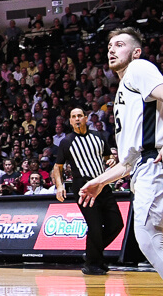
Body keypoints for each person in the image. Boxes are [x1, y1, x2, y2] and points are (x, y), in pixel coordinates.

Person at [79, 28, 163, 293]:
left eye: (119, 45)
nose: (111, 49)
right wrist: (99, 181)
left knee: (149, 239)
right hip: (143, 167)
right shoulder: (124, 89)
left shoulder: (138, 68)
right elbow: (126, 163)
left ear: (135, 52)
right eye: (110, 45)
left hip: (155, 162)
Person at [52, 107, 123, 275]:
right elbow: (57, 167)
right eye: (73, 117)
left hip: (101, 184)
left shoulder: (98, 137)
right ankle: (92, 264)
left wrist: (112, 160)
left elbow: (108, 157)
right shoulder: (66, 141)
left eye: (79, 116)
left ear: (85, 118)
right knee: (95, 226)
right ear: (70, 121)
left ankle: (92, 256)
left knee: (116, 223)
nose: (77, 119)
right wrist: (60, 186)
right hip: (82, 187)